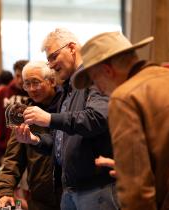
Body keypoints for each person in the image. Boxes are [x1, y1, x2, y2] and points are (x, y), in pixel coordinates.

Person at [14, 28, 118, 210]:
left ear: (71, 48)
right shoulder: (68, 87)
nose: (51, 65)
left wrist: (49, 118)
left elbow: (97, 118)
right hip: (70, 189)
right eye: (48, 60)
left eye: (53, 56)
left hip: (95, 189)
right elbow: (62, 143)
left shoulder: (92, 77)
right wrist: (35, 140)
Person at [73, 31, 169, 210]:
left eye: (95, 81)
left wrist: (131, 174)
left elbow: (137, 191)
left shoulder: (124, 98)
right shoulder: (167, 77)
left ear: (107, 71)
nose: (99, 90)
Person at [0, 61, 62, 210]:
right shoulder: (24, 115)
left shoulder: (67, 107)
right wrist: (5, 191)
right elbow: (13, 158)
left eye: (36, 83)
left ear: (51, 81)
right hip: (40, 200)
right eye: (27, 84)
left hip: (70, 195)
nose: (31, 89)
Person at [0, 60, 29, 158]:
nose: (20, 80)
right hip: (7, 148)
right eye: (17, 76)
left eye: (23, 76)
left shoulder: (33, 93)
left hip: (30, 149)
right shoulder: (4, 93)